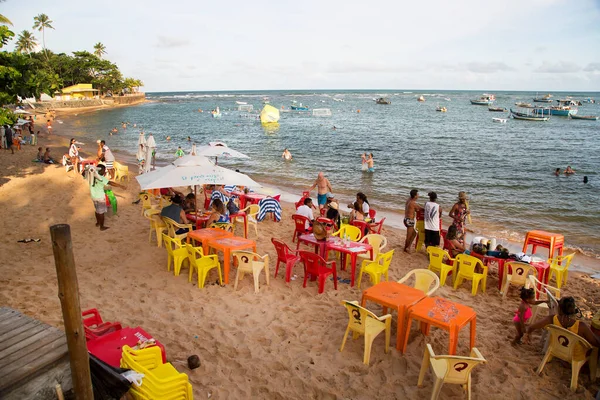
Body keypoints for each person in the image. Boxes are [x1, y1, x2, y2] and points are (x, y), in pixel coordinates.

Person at [524, 297, 600, 348]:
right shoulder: (581, 326)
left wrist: (528, 333)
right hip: (574, 356)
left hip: (556, 349)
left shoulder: (552, 319)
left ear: (559, 308)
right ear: (574, 310)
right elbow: (595, 343)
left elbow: (532, 327)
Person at [89, 164, 125, 231]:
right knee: (101, 212)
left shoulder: (92, 175)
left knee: (97, 210)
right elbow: (110, 183)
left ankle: (98, 223)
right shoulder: (101, 178)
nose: (105, 171)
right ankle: (102, 227)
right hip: (100, 197)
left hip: (93, 196)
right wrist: (121, 186)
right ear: (101, 171)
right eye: (104, 170)